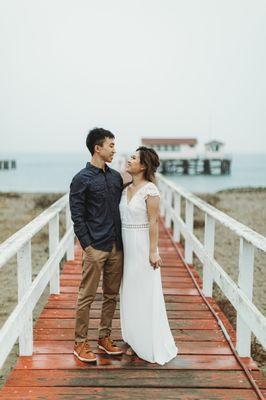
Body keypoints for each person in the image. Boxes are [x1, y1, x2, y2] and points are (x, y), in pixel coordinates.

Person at [119, 146, 178, 365]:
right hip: (125, 246)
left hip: (142, 246)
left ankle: (146, 341)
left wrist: (153, 252)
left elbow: (153, 222)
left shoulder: (150, 190)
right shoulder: (124, 188)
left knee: (144, 292)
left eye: (133, 158)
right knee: (129, 292)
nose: (129, 159)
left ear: (143, 165)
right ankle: (133, 339)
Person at [69, 127, 124, 362]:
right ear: (97, 148)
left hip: (117, 246)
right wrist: (87, 246)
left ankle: (104, 337)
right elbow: (77, 216)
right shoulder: (81, 179)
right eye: (111, 145)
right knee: (87, 296)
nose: (114, 149)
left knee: (111, 295)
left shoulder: (115, 177)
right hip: (95, 247)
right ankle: (80, 343)